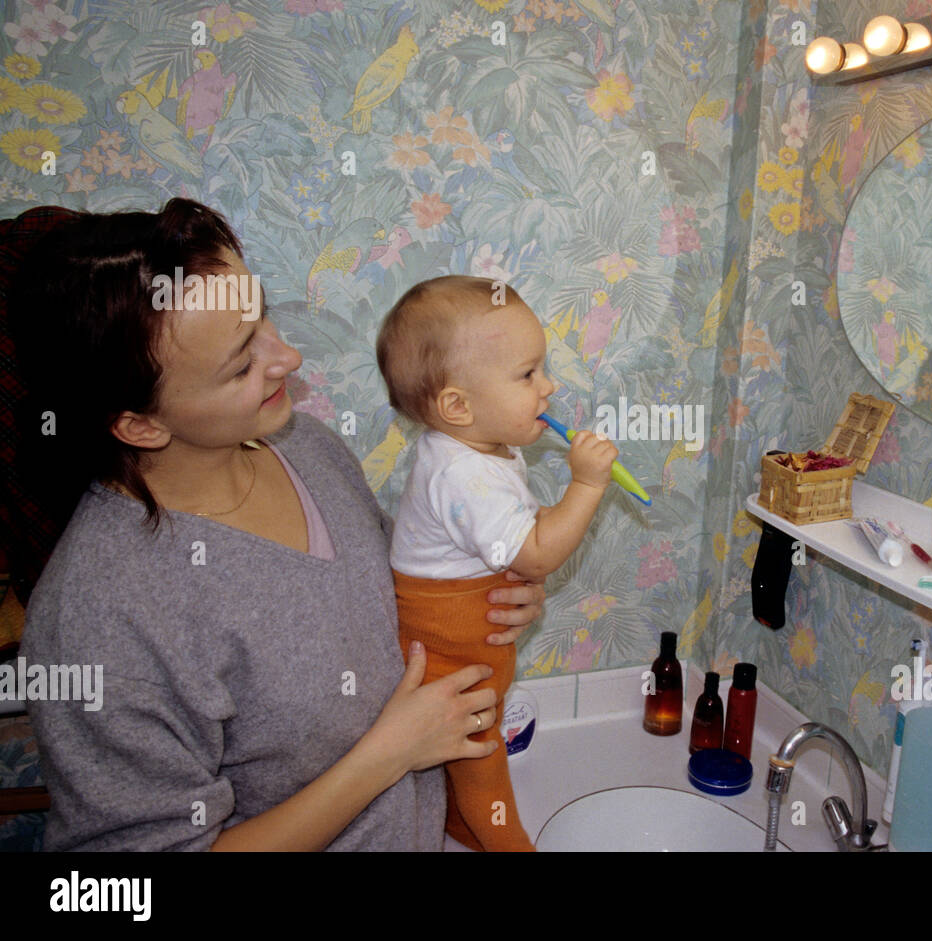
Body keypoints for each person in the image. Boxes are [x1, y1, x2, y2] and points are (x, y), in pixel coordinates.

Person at [14, 199, 544, 851]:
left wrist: (484, 586)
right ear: (140, 424)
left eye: (260, 315)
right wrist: (387, 754)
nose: (287, 356)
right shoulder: (102, 618)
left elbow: (385, 598)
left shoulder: (305, 447)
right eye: (241, 364)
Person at [376, 276, 617, 851]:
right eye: (528, 375)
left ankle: (456, 827)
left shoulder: (474, 449)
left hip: (463, 647)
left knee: (469, 760)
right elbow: (535, 554)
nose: (549, 387)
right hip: (449, 662)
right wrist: (585, 485)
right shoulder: (466, 473)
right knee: (484, 766)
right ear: (458, 406)